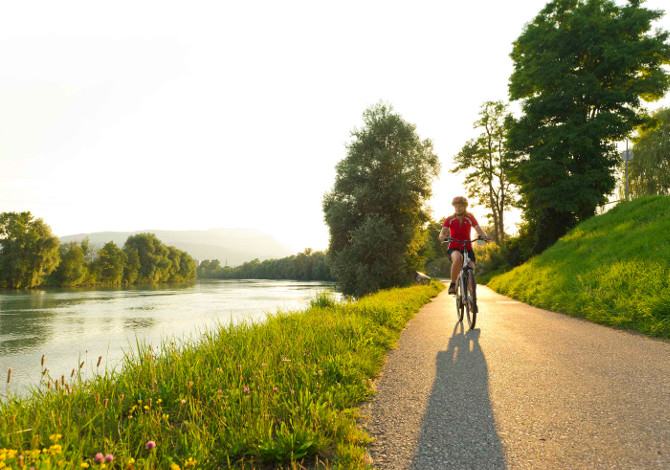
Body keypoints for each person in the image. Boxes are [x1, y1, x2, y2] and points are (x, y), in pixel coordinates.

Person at [438, 196, 492, 296]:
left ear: (465, 207)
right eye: (456, 206)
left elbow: (479, 230)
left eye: (461, 206)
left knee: (471, 268)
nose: (458, 208)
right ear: (454, 207)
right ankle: (453, 284)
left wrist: (484, 237)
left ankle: (472, 298)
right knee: (458, 258)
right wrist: (442, 236)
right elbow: (443, 231)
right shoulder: (450, 219)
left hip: (467, 248)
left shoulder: (470, 218)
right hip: (454, 248)